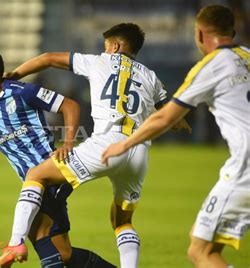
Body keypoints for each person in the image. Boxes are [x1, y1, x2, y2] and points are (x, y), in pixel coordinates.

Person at [0, 23, 191, 268]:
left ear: (116, 46)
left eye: (106, 45)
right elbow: (172, 115)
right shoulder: (151, 76)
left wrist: (16, 75)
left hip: (107, 145)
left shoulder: (99, 61)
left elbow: (47, 58)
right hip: (139, 152)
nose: (104, 49)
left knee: (37, 175)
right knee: (122, 221)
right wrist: (180, 123)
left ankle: (15, 243)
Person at [101, 5, 249, 268]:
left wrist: (124, 143)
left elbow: (165, 116)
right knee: (204, 242)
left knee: (200, 251)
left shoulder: (211, 66)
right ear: (233, 31)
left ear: (200, 34)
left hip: (245, 169)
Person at [0, 49, 115, 268]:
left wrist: (67, 144)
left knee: (40, 235)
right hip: (34, 184)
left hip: (50, 175)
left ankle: (15, 245)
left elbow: (70, 105)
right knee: (62, 252)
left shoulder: (22, 92)